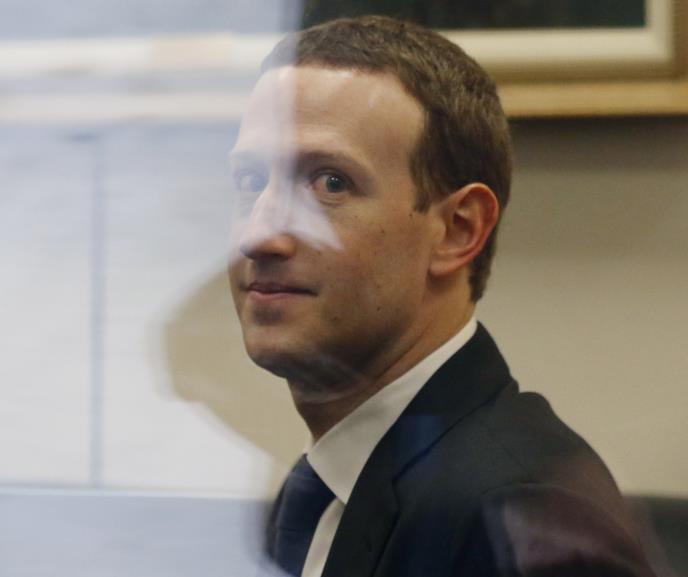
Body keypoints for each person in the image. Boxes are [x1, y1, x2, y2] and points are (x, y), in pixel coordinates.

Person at [228, 15, 655, 577]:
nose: (258, 234)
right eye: (251, 182)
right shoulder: (326, 485)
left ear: (457, 230)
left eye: (330, 182)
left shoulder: (524, 519)